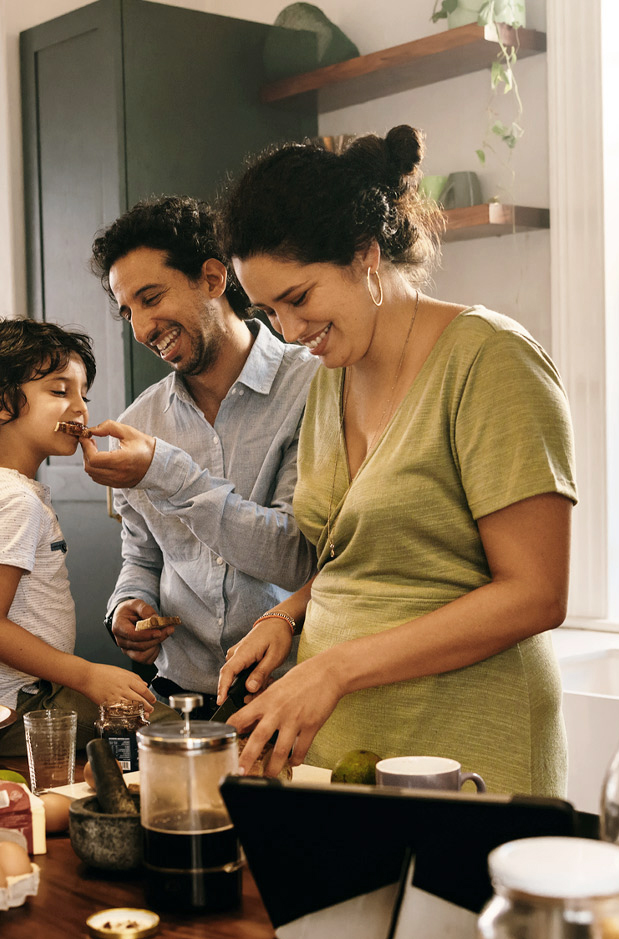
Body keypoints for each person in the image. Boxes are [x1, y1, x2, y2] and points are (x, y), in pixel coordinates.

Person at [215, 126, 576, 796]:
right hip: (342, 750)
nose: (289, 332)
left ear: (366, 253)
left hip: (469, 748)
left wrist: (334, 669)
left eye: (299, 298)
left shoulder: (491, 360)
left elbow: (537, 592)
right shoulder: (329, 377)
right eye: (267, 311)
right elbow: (370, 555)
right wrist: (287, 615)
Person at [79, 197, 319, 720]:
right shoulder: (140, 421)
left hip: (292, 697)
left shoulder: (314, 386)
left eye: (151, 297)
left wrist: (164, 472)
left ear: (212, 278)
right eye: (128, 312)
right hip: (180, 698)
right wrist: (126, 609)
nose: (141, 329)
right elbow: (142, 556)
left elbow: (297, 556)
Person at [0, 315, 155, 753]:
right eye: (59, 390)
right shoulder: (16, 501)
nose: (80, 408)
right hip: (12, 708)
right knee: (154, 734)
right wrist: (88, 675)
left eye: (83, 394)